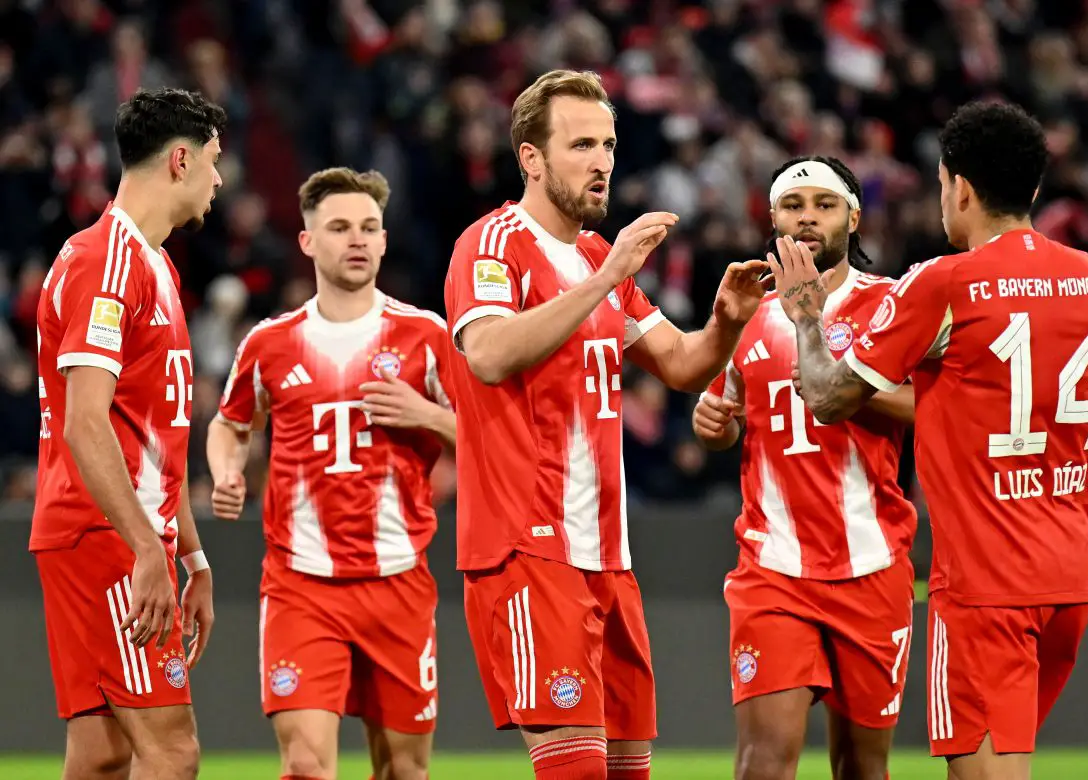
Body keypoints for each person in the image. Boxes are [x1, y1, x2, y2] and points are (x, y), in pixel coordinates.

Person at [769, 101, 1088, 780]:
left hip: (986, 583)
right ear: (1031, 189)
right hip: (1070, 575)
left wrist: (806, 319)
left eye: (941, 185)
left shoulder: (946, 281)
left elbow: (825, 395)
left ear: (958, 186)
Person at [443, 69, 769, 780]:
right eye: (582, 144)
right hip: (528, 547)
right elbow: (490, 354)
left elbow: (681, 364)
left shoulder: (597, 256)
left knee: (627, 774)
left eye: (610, 145)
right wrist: (605, 276)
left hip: (607, 556)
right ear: (531, 158)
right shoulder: (492, 245)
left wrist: (725, 323)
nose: (602, 162)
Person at [207, 167, 454, 780]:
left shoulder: (427, 336)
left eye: (370, 227)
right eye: (340, 227)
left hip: (397, 579)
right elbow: (229, 424)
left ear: (385, 240)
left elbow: (494, 437)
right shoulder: (270, 343)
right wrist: (227, 470)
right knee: (306, 765)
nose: (358, 240)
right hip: (301, 584)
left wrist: (426, 414)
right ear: (308, 241)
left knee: (404, 770)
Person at [692, 156, 917, 780]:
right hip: (773, 569)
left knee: (862, 769)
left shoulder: (891, 304)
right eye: (795, 206)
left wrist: (851, 388)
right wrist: (713, 427)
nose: (809, 219)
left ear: (854, 215)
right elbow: (720, 410)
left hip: (872, 565)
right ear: (773, 219)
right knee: (764, 763)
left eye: (823, 205)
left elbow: (933, 407)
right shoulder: (746, 310)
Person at [32, 87, 224, 780]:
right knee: (172, 753)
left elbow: (150, 444)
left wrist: (192, 558)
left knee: (102, 753)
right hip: (103, 535)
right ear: (180, 160)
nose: (219, 179)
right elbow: (87, 423)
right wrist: (148, 548)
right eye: (212, 160)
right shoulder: (104, 262)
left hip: (113, 531)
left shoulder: (155, 265)